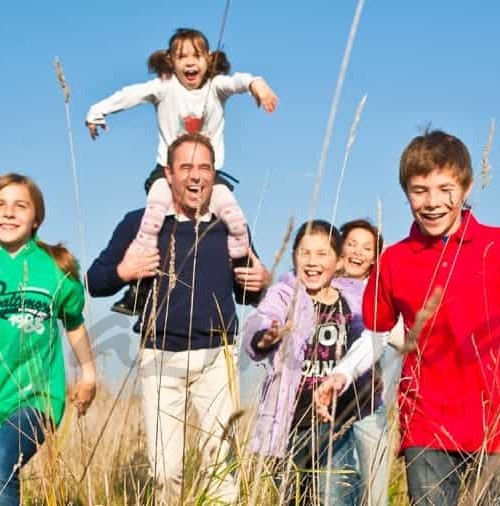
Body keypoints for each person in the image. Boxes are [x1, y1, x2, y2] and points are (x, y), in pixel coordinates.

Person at [316, 130, 500, 505]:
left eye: (445, 188)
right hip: (427, 421)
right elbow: (376, 334)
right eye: (419, 190)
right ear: (406, 192)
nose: (432, 202)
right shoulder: (394, 261)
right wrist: (342, 373)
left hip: (494, 423)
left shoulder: (494, 247)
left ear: (465, 188)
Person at [86, 133, 269, 503]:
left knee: (221, 469)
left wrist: (262, 281)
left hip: (218, 356)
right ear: (169, 174)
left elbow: (247, 292)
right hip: (159, 355)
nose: (196, 176)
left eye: (204, 168)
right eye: (186, 167)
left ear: (214, 175)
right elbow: (94, 281)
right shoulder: (139, 223)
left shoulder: (229, 227)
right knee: (165, 470)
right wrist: (124, 270)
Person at [86, 27, 277, 315]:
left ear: (209, 59)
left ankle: (242, 267)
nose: (190, 62)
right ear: (170, 61)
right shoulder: (164, 87)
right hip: (166, 173)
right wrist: (96, 111)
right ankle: (139, 289)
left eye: (197, 55)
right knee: (153, 217)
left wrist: (258, 86)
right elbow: (130, 95)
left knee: (234, 216)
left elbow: (241, 81)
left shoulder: (216, 87)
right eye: (182, 56)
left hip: (211, 176)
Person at [243, 219, 384, 505]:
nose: (312, 262)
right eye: (304, 253)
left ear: (338, 260)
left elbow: (372, 337)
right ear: (294, 256)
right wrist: (264, 336)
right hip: (292, 420)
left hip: (336, 419)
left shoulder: (352, 299)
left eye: (322, 254)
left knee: (333, 494)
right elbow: (261, 317)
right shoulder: (285, 293)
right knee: (293, 497)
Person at [0, 173, 96, 505]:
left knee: (2, 465)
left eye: (20, 206)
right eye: (1, 205)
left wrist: (88, 373)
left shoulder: (56, 267)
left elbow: (74, 323)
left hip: (36, 398)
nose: (8, 212)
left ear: (36, 218)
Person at [335, 219, 389, 506]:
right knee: (336, 491)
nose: (358, 252)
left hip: (369, 404)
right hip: (329, 408)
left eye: (367, 248)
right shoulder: (322, 288)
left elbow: (397, 334)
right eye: (352, 243)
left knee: (376, 493)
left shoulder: (379, 292)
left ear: (375, 258)